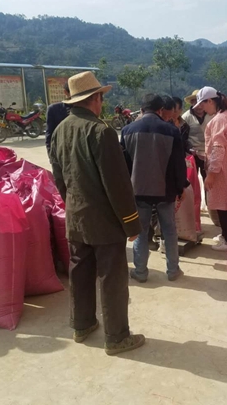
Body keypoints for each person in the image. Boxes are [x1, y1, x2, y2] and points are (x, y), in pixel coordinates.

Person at [49, 71, 145, 356]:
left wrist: (72, 204)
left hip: (76, 217)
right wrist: (131, 224)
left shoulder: (60, 130)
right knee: (112, 278)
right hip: (104, 221)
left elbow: (59, 178)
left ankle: (82, 325)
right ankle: (116, 337)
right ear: (96, 99)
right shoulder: (101, 131)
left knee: (79, 272)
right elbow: (117, 185)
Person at [121, 94, 187, 283]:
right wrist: (181, 187)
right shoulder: (172, 131)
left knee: (141, 232)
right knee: (169, 230)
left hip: (138, 191)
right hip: (165, 191)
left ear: (142, 109)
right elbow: (178, 164)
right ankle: (173, 270)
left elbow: (122, 165)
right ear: (160, 110)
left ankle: (140, 272)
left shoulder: (127, 130)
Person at [194, 86, 227, 251]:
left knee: (222, 205)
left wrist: (212, 173)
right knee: (223, 203)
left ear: (210, 101)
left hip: (221, 169)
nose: (202, 108)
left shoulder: (219, 119)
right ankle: (225, 234)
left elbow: (218, 148)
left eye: (203, 104)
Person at [182, 90, 213, 180]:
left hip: (208, 154)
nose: (199, 106)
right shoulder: (186, 117)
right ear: (192, 103)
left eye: (201, 103)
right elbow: (183, 138)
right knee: (191, 179)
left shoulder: (211, 115)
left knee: (208, 179)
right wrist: (189, 149)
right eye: (196, 103)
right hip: (192, 154)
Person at [45, 82, 71, 154]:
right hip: (62, 152)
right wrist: (51, 155)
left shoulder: (87, 108)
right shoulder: (54, 109)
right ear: (66, 92)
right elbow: (49, 135)